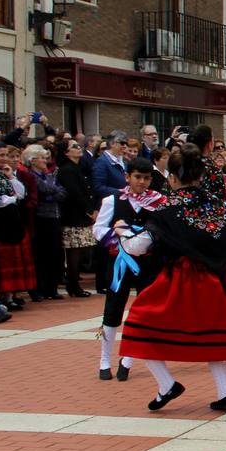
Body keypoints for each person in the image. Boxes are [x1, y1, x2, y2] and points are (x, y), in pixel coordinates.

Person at [116, 144, 226, 412]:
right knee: (216, 336)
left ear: (172, 178)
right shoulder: (217, 205)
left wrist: (122, 236)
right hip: (217, 280)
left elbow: (140, 246)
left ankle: (167, 385)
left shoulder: (168, 208)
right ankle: (225, 393)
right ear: (199, 175)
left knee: (139, 325)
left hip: (182, 280)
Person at [92, 158, 167, 381]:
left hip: (148, 263)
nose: (142, 182)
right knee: (113, 308)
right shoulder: (112, 200)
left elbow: (164, 230)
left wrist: (151, 240)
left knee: (144, 310)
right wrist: (117, 238)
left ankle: (128, 357)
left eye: (146, 178)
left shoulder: (158, 202)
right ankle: (104, 360)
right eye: (137, 177)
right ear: (127, 177)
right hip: (120, 263)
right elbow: (98, 229)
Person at [0, 141, 31, 310]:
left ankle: (8, 295)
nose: (5, 158)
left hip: (11, 222)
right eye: (1, 155)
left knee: (9, 261)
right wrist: (11, 199)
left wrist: (11, 177)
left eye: (6, 155)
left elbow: (21, 193)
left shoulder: (3, 174)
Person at [24, 144, 65, 301]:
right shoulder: (31, 175)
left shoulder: (49, 175)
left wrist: (51, 191)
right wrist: (52, 191)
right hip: (40, 218)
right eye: (42, 157)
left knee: (54, 253)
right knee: (40, 254)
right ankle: (38, 288)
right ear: (32, 160)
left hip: (54, 216)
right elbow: (44, 189)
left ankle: (51, 288)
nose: (45, 160)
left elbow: (62, 192)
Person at [55, 139, 94, 299]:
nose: (79, 148)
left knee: (79, 249)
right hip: (73, 216)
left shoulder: (78, 168)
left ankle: (74, 283)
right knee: (74, 251)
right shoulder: (67, 170)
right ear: (66, 152)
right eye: (75, 147)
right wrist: (89, 211)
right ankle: (73, 284)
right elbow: (74, 193)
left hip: (81, 215)